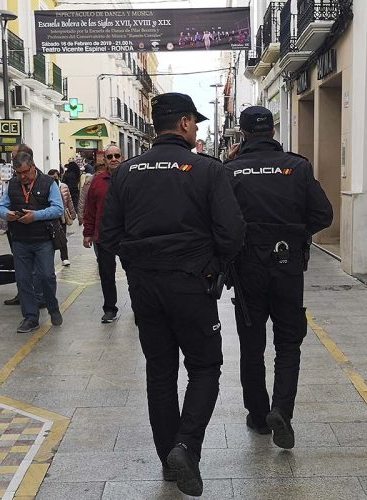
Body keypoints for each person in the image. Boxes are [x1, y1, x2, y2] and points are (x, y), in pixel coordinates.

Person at [100, 93, 245, 497]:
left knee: (159, 371)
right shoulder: (206, 169)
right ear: (183, 123)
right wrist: (212, 264)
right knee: (205, 366)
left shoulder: (125, 172)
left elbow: (107, 236)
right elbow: (232, 234)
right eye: (194, 122)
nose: (197, 128)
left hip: (145, 287)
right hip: (192, 283)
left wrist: (137, 265)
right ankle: (186, 447)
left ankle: (169, 460)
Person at [225, 106, 333, 449]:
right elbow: (323, 214)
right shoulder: (296, 166)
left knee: (252, 345)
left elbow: (221, 223)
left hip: (246, 269)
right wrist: (296, 234)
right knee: (288, 343)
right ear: (272, 131)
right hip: (287, 265)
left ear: (242, 134)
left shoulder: (230, 170)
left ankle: (259, 417)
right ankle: (282, 410)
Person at [0, 152, 64, 333]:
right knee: (23, 279)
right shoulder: (12, 184)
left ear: (33, 167)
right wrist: (6, 214)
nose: (22, 176)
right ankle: (30, 317)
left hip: (43, 239)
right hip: (20, 240)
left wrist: (35, 216)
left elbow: (58, 209)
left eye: (25, 172)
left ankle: (53, 307)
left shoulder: (49, 183)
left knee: (46, 276)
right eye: (18, 173)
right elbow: (1, 206)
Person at [83, 145, 124, 324]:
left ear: (121, 158)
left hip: (127, 236)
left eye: (117, 155)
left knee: (134, 274)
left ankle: (139, 308)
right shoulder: (97, 181)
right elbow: (90, 208)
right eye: (110, 156)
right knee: (106, 275)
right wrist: (88, 233)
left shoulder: (130, 177)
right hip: (104, 236)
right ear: (104, 160)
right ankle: (110, 309)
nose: (113, 159)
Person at [48, 168, 75, 266]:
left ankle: (65, 258)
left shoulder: (64, 187)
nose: (53, 179)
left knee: (62, 237)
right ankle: (49, 258)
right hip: (51, 217)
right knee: (51, 238)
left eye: (55, 177)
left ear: (59, 177)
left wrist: (72, 213)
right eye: (51, 178)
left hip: (62, 216)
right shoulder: (47, 187)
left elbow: (69, 201)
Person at [78, 161, 106, 225]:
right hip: (91, 214)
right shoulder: (89, 182)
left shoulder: (108, 180)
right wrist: (80, 216)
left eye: (103, 172)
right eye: (99, 172)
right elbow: (82, 200)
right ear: (95, 172)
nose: (101, 174)